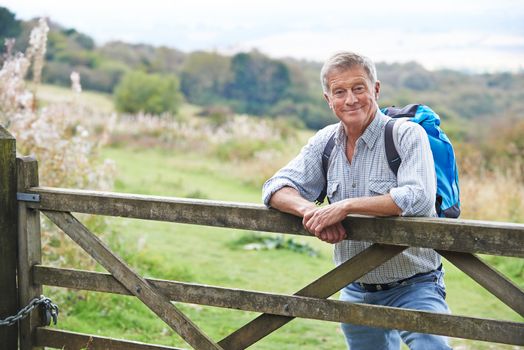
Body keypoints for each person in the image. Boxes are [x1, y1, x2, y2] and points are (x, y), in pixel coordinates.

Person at [262, 51, 451, 350]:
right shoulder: (325, 141)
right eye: (340, 92)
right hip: (355, 287)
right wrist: (312, 212)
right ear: (328, 99)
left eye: (358, 88)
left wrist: (344, 207)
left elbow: (417, 197)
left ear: (375, 89)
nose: (350, 99)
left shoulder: (406, 135)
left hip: (416, 285)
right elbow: (275, 187)